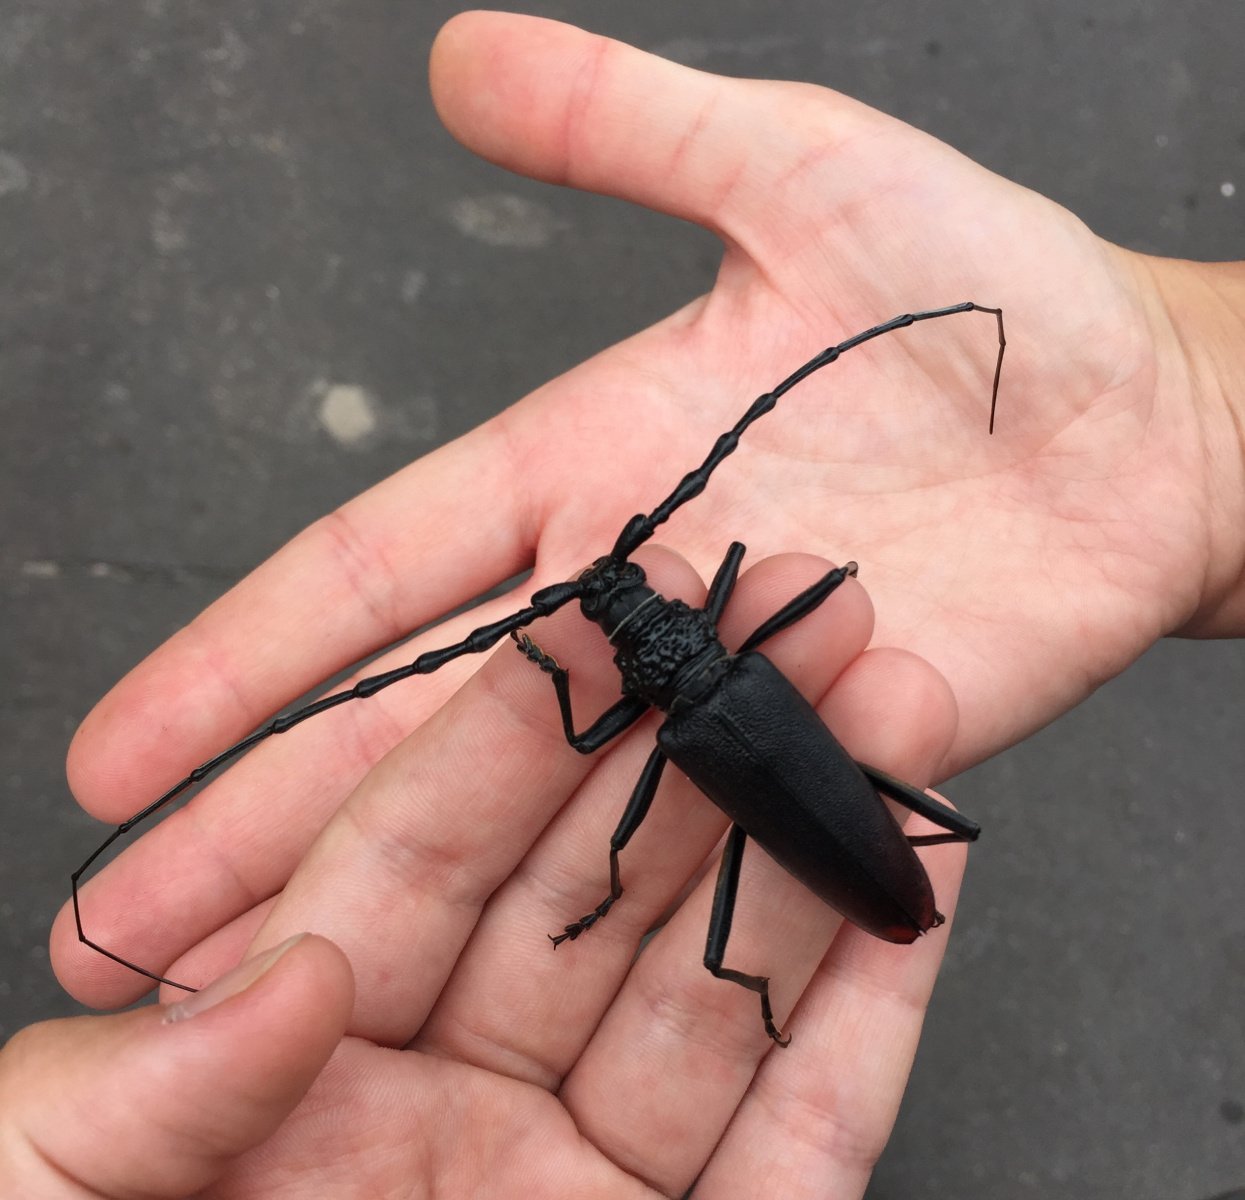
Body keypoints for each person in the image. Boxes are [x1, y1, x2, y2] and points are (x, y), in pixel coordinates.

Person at [4, 10, 1242, 1197]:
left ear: (652, 639)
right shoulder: (738, 672)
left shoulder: (677, 726)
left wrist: (558, 677)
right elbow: (740, 575)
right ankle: (782, 950)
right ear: (677, 614)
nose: (621, 600)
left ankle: (741, 965)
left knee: (691, 895)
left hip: (814, 819)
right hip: (825, 812)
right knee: (869, 844)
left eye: (622, 603)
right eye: (619, 603)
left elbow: (599, 732)